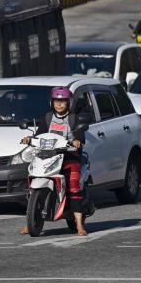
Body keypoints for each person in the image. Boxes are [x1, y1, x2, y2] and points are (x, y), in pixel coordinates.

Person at [20, 87, 88, 236]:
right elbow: (39, 135)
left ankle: (79, 225)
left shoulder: (74, 118)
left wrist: (77, 141)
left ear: (69, 103)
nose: (59, 104)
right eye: (57, 101)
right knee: (33, 182)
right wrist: (29, 139)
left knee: (74, 186)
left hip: (70, 157)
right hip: (49, 156)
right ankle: (31, 221)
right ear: (52, 102)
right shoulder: (48, 117)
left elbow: (80, 135)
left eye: (63, 101)